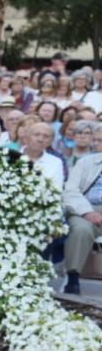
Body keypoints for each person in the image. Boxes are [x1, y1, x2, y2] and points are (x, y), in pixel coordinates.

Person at [62, 126, 102, 295]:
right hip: (85, 207)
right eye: (99, 140)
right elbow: (71, 190)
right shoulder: (86, 162)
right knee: (80, 229)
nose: (100, 144)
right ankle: (73, 278)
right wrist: (87, 212)